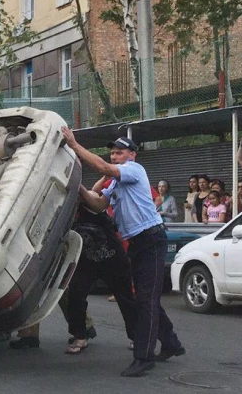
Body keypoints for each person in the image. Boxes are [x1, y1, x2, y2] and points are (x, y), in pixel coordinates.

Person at [61, 129, 184, 378]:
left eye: (119, 152)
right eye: (112, 153)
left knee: (145, 300)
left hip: (151, 239)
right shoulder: (116, 182)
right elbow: (97, 204)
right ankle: (171, 343)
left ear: (132, 155)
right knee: (145, 300)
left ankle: (143, 357)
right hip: (137, 244)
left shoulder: (133, 170)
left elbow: (106, 169)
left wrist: (74, 145)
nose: (114, 156)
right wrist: (77, 187)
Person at [65, 205, 139, 355]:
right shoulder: (64, 212)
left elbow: (95, 200)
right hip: (87, 261)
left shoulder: (91, 204)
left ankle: (137, 337)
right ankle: (80, 336)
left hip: (112, 258)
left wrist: (81, 192)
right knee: (75, 295)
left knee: (126, 299)